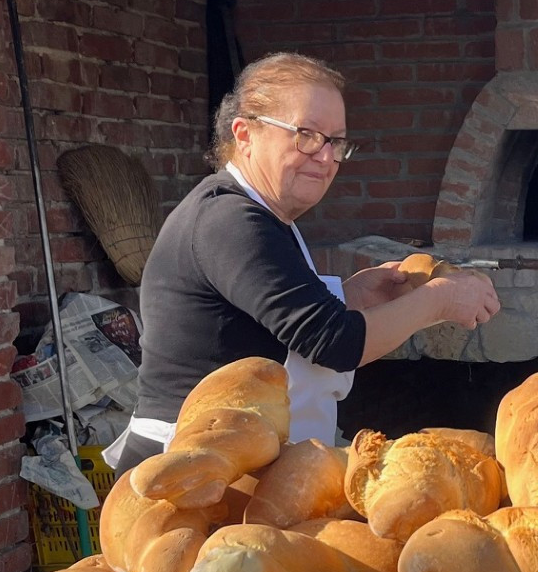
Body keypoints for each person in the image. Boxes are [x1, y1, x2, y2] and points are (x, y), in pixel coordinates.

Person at [105, 52, 501, 473]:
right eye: (307, 135)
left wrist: (352, 295)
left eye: (336, 142)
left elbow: (274, 323)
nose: (326, 157)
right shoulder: (228, 220)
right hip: (189, 467)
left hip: (232, 453)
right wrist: (441, 301)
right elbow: (333, 343)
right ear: (245, 134)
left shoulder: (265, 215)